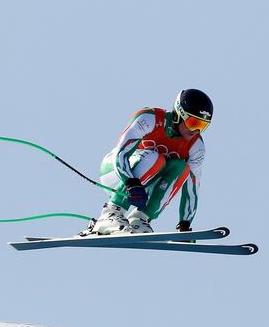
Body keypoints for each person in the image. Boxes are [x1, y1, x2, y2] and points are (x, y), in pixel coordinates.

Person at [83, 89, 213, 235]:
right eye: (193, 123)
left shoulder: (196, 147)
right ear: (179, 115)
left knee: (181, 167)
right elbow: (121, 153)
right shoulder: (150, 119)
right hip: (116, 172)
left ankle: (140, 219)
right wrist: (131, 183)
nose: (196, 131)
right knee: (156, 159)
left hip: (144, 185)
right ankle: (111, 213)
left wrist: (185, 224)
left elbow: (192, 188)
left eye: (202, 126)